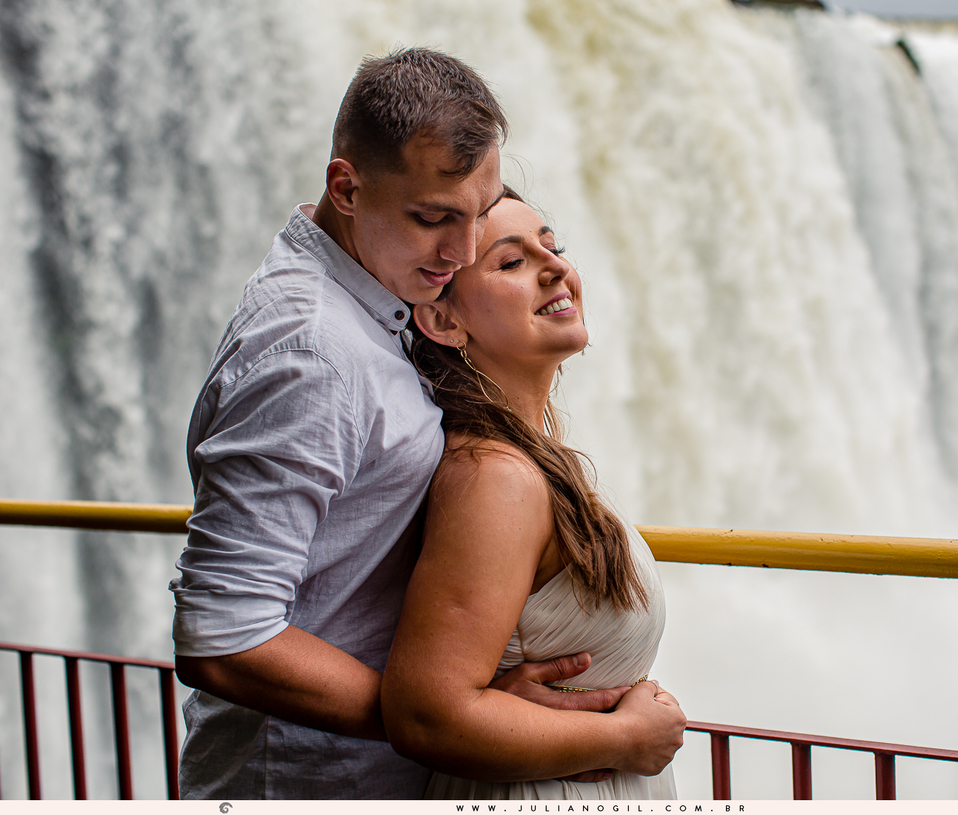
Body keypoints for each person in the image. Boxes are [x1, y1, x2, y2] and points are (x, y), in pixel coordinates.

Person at [170, 48, 680, 799]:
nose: (462, 250)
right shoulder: (312, 349)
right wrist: (457, 716)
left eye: (477, 214)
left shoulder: (380, 299)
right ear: (346, 187)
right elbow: (223, 636)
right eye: (434, 218)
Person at [381, 190, 684, 799]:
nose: (556, 268)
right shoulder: (496, 477)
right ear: (444, 319)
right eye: (511, 262)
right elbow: (424, 714)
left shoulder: (529, 460)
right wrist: (624, 741)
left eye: (553, 246)